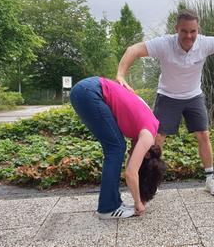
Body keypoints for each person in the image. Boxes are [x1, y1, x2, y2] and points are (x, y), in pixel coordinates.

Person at [116, 9, 214, 196]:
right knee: (157, 139)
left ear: (197, 29)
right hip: (168, 96)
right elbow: (133, 50)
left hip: (194, 96)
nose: (189, 36)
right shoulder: (164, 44)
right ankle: (148, 180)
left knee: (203, 134)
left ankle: (210, 179)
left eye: (193, 31)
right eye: (184, 31)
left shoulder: (205, 43)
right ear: (176, 28)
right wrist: (121, 74)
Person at [70, 76, 167, 219]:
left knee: (118, 147)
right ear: (146, 155)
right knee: (116, 148)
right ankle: (108, 208)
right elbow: (131, 173)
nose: (130, 154)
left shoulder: (149, 123)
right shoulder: (147, 137)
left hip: (88, 87)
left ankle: (113, 203)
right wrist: (138, 202)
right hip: (90, 92)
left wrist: (142, 196)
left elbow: (130, 166)